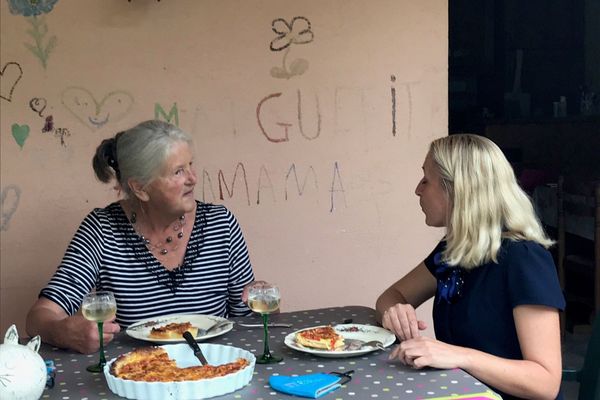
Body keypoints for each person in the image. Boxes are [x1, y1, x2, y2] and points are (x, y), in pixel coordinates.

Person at [26, 120, 257, 354]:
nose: (193, 178)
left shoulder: (221, 224)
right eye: (178, 171)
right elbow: (40, 316)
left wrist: (262, 301)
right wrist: (63, 332)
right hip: (140, 374)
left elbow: (248, 321)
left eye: (190, 165)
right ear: (140, 189)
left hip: (214, 369)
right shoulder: (103, 229)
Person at [376, 134, 565, 400]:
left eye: (426, 180)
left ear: (458, 189)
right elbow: (390, 296)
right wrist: (395, 311)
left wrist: (457, 355)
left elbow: (545, 382)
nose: (418, 190)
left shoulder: (524, 258)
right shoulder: (453, 251)